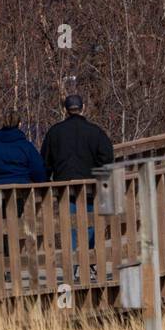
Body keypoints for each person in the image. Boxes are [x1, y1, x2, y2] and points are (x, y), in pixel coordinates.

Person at [41, 95, 114, 274]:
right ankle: (88, 262)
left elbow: (45, 160)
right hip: (90, 186)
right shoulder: (95, 132)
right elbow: (107, 157)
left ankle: (73, 265)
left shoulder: (55, 132)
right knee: (90, 224)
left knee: (70, 225)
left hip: (65, 187)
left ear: (66, 110)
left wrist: (46, 179)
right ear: (83, 108)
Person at [0, 113, 47, 185]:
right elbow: (39, 172)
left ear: (3, 124)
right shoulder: (27, 146)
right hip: (22, 191)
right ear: (19, 124)